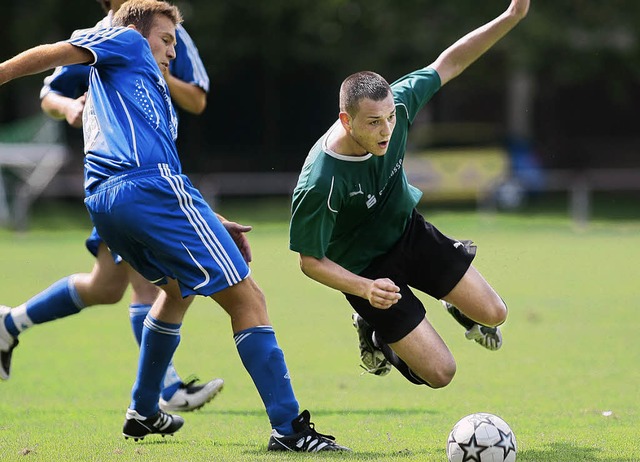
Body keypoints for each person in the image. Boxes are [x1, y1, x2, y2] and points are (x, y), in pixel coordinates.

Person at [0, 0, 348, 451]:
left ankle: (144, 410)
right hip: (143, 191)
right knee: (248, 297)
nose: (172, 51)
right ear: (138, 31)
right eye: (166, 41)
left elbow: (164, 162)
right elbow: (51, 54)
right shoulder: (124, 39)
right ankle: (290, 430)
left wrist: (211, 217)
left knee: (174, 290)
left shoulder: (146, 89)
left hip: (108, 199)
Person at [289, 0, 529, 387]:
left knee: (495, 313)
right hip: (368, 272)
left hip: (410, 235)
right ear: (346, 121)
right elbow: (309, 261)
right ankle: (374, 330)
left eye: (390, 118)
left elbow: (449, 62)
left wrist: (510, 17)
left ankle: (453, 301)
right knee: (440, 374)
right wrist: (365, 289)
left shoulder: (395, 103)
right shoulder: (321, 180)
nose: (386, 130)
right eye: (374, 122)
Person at [0, 0, 222, 414]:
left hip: (150, 173)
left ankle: (9, 323)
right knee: (151, 284)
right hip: (123, 176)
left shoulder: (165, 34)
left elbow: (197, 100)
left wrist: (152, 61)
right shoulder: (103, 35)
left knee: (105, 287)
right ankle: (164, 390)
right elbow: (51, 91)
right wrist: (71, 108)